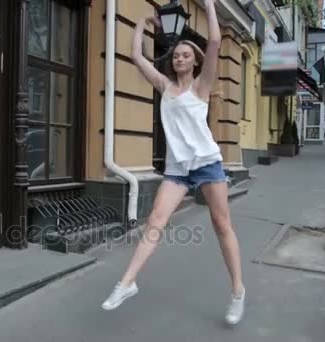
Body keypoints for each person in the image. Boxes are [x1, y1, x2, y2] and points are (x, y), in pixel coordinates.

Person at [101, 0, 246, 325]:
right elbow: (137, 57)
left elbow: (214, 42)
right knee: (155, 220)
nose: (180, 58)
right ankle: (126, 283)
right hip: (178, 170)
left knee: (222, 225)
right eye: (176, 55)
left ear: (195, 62)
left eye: (186, 55)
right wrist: (140, 25)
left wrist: (209, 6)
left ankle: (237, 291)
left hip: (208, 165)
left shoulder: (201, 87)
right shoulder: (164, 87)